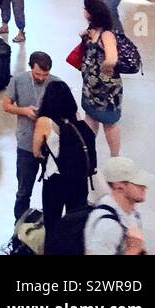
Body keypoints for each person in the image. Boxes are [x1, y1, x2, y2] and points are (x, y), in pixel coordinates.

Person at [31, 78, 96, 228]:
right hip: (79, 178)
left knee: (52, 222)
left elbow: (36, 152)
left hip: (55, 178)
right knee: (74, 224)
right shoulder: (76, 117)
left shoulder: (44, 121)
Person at [3, 51, 54, 222]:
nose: (41, 78)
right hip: (26, 144)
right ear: (31, 68)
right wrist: (23, 111)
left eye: (45, 75)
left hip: (50, 146)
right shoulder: (18, 80)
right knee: (24, 190)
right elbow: (6, 105)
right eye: (38, 74)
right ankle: (20, 225)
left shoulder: (56, 83)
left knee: (52, 189)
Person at [80, 0, 123, 156]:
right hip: (91, 85)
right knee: (90, 116)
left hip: (106, 87)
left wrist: (104, 70)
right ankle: (89, 150)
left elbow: (111, 58)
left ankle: (114, 155)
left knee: (109, 121)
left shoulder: (106, 35)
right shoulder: (93, 31)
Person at [84, 157, 148, 255]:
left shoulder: (132, 213)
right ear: (119, 187)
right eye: (137, 184)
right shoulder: (107, 225)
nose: (144, 187)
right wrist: (133, 250)